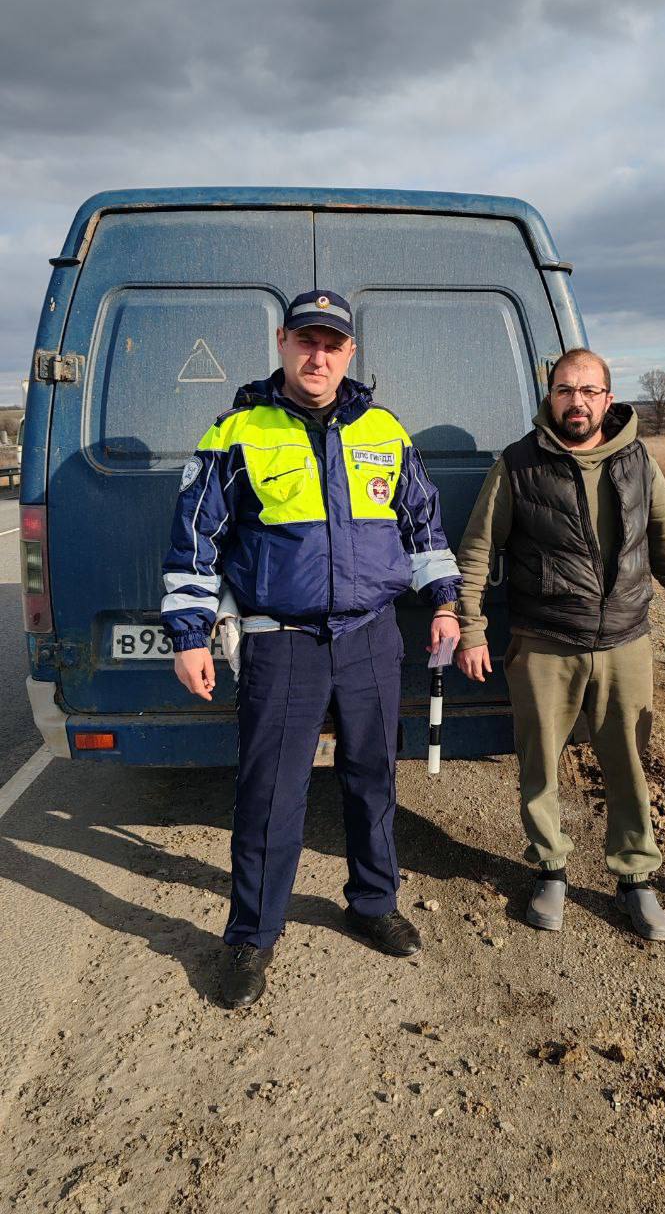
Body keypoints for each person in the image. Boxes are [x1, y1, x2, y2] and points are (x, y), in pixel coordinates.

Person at [162, 290, 461, 1007]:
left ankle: (373, 902)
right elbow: (195, 538)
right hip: (281, 643)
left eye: (332, 344)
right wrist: (189, 637)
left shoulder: (386, 430)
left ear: (350, 352)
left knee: (373, 779)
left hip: (370, 638)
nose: (317, 355)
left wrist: (446, 603)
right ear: (282, 342)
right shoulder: (236, 430)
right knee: (269, 794)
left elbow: (422, 525)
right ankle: (250, 937)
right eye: (305, 341)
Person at [454, 348, 665, 941]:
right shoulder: (518, 464)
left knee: (629, 764)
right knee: (539, 763)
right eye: (564, 390)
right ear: (549, 396)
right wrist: (473, 628)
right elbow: (478, 550)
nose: (575, 401)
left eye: (587, 391)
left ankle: (635, 878)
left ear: (608, 398)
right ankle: (551, 868)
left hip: (625, 641)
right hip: (544, 642)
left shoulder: (638, 463)